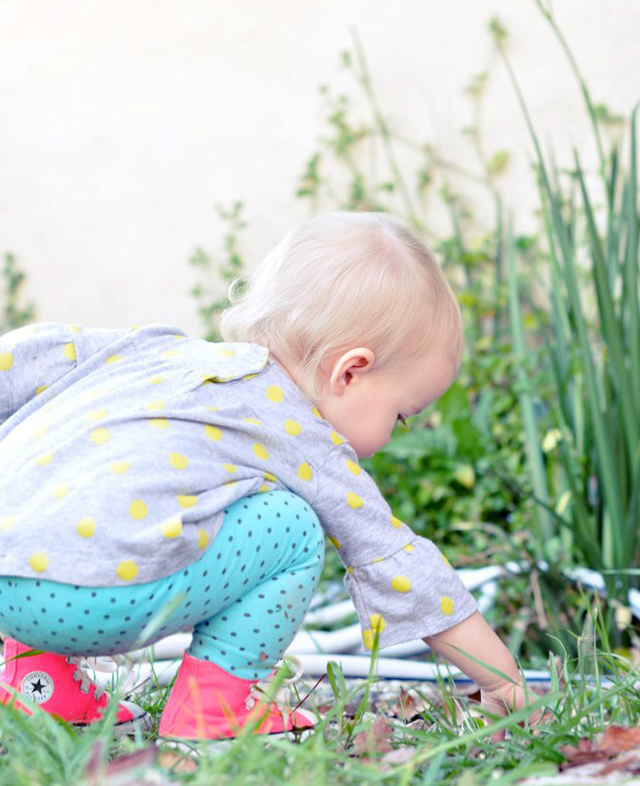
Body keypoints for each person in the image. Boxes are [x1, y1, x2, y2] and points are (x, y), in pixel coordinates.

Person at [0, 212, 537, 740]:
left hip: (9, 580)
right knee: (292, 527)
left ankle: (36, 683)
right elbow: (399, 563)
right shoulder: (304, 436)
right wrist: (504, 682)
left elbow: (30, 352)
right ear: (349, 370)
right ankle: (211, 710)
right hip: (92, 602)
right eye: (400, 414)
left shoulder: (154, 350)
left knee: (54, 482)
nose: (394, 434)